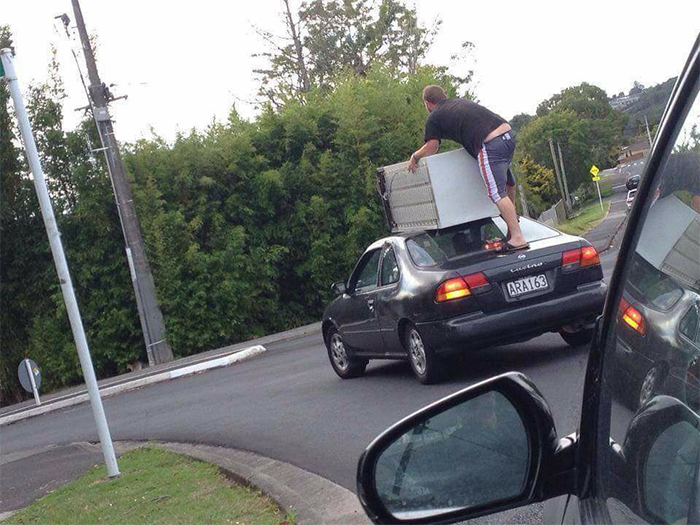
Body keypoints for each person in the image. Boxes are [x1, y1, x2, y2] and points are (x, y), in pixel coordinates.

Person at [408, 85, 528, 250]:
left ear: (428, 104)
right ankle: (511, 230)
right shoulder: (459, 104)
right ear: (444, 96)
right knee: (508, 183)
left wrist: (415, 156)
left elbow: (432, 146)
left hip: (489, 143)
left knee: (495, 192)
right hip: (508, 135)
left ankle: (517, 237)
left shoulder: (434, 116)